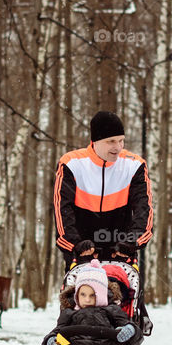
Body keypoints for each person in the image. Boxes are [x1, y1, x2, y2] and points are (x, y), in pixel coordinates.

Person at [53, 111, 153, 267]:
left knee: (123, 291)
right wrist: (75, 243)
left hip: (121, 250)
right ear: (95, 141)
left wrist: (131, 242)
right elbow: (62, 211)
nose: (118, 147)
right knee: (83, 291)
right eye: (111, 141)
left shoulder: (134, 166)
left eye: (121, 141)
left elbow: (143, 212)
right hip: (82, 251)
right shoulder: (71, 164)